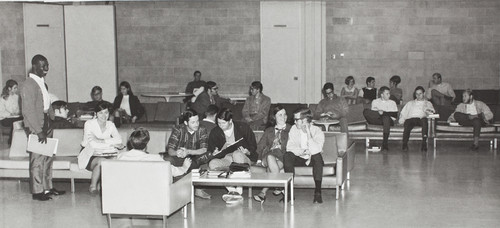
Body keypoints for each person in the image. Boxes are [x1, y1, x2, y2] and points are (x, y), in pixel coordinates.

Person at [21, 54, 65, 201]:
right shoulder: (28, 84)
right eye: (43, 66)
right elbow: (28, 111)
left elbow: (46, 102)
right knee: (37, 159)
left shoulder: (40, 81)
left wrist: (52, 116)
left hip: (46, 121)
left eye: (47, 65)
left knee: (47, 157)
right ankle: (37, 191)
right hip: (37, 125)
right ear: (34, 66)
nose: (46, 68)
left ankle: (47, 187)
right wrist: (38, 131)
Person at [208, 108, 257, 204]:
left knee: (237, 154)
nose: (220, 125)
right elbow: (211, 150)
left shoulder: (243, 127)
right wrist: (215, 152)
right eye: (219, 123)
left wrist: (247, 151)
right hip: (227, 158)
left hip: (243, 157)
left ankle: (239, 190)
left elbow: (253, 145)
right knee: (212, 164)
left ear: (230, 121)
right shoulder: (215, 131)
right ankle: (232, 190)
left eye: (223, 123)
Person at [166, 109, 211, 199]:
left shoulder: (202, 129)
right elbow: (170, 150)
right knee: (167, 160)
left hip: (196, 158)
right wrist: (177, 153)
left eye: (197, 121)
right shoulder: (178, 129)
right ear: (186, 123)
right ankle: (174, 189)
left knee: (208, 155)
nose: (196, 124)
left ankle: (196, 188)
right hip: (180, 158)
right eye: (193, 122)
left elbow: (203, 149)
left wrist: (188, 151)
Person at [80, 101, 124, 194]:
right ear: (95, 114)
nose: (104, 116)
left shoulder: (110, 124)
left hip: (107, 153)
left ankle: (108, 188)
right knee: (101, 161)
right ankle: (93, 186)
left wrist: (102, 141)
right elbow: (92, 144)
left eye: (106, 112)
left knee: (115, 160)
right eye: (100, 113)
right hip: (90, 154)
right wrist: (112, 144)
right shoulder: (89, 124)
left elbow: (119, 140)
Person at [284, 108, 325, 203]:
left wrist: (308, 134)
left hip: (312, 159)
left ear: (305, 120)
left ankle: (318, 193)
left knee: (317, 157)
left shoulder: (317, 131)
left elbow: (316, 150)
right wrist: (303, 151)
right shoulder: (294, 129)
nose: (294, 122)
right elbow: (289, 147)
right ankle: (290, 193)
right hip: (299, 157)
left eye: (296, 120)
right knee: (287, 155)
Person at [253, 105, 291, 203]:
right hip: (268, 156)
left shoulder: (291, 130)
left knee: (272, 168)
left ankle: (263, 193)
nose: (283, 117)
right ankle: (279, 185)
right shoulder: (269, 130)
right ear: (274, 117)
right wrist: (259, 159)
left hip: (282, 157)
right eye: (280, 115)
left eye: (285, 114)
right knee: (270, 156)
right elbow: (260, 146)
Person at [117, 128, 192, 178]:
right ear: (145, 146)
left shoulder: (120, 157)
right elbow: (174, 172)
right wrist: (184, 167)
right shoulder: (155, 159)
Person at [399, 86, 435, 152]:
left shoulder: (428, 103)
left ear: (424, 94)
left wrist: (427, 110)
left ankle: (424, 143)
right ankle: (405, 144)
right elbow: (404, 113)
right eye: (416, 94)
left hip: (421, 119)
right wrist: (401, 121)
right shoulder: (410, 103)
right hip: (411, 119)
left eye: (420, 94)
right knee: (407, 123)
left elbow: (432, 112)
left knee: (424, 121)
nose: (418, 96)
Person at [363, 86, 398, 151]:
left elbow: (395, 115)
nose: (389, 95)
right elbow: (373, 114)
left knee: (386, 117)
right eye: (387, 94)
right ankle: (382, 115)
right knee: (366, 111)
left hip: (389, 121)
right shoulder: (375, 101)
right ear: (382, 95)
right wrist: (379, 113)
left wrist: (383, 113)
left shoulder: (392, 102)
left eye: (389, 93)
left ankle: (385, 143)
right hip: (377, 120)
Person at [0, 79, 23, 144]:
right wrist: (10, 114)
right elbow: (0, 113)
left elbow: (18, 109)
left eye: (17, 88)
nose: (16, 89)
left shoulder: (17, 97)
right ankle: (12, 141)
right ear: (9, 88)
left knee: (23, 119)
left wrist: (18, 112)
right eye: (15, 88)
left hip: (15, 117)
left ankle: (20, 140)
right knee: (15, 121)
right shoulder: (3, 98)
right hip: (5, 119)